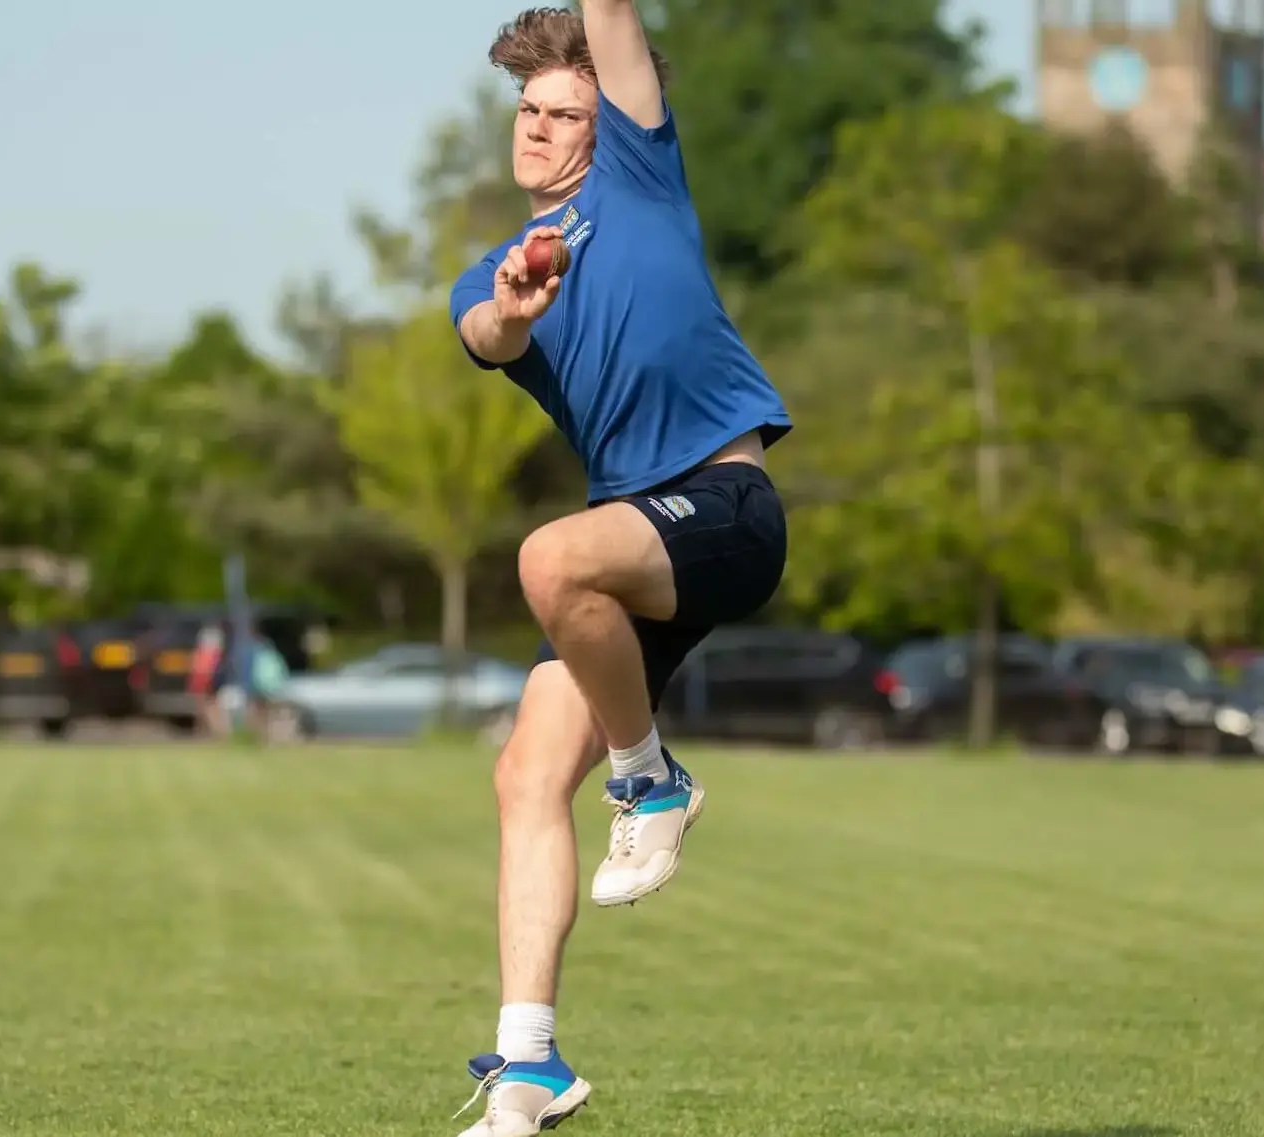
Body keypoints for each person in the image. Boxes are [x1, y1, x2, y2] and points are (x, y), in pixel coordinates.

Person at [441, 6, 793, 1134]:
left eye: (563, 115)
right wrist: (510, 308)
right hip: (630, 551)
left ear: (609, 128)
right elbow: (488, 337)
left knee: (550, 557)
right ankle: (528, 1062)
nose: (539, 131)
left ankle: (649, 780)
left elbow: (607, 11)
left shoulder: (641, 173)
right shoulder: (489, 275)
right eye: (528, 112)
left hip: (723, 509)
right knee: (522, 777)